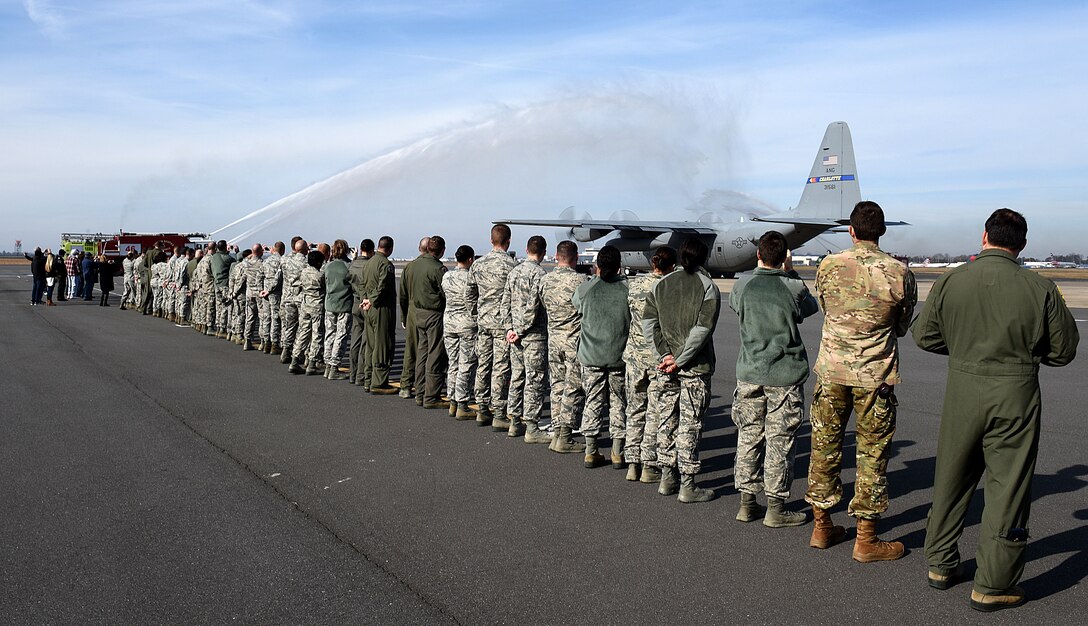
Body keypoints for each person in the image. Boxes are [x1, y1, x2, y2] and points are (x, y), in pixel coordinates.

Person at [913, 209, 1079, 611]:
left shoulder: (951, 279)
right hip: (1016, 393)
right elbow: (1064, 350)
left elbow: (924, 336)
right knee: (1008, 487)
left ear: (984, 236)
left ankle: (939, 563)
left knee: (952, 475)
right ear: (1021, 245)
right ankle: (993, 584)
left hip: (963, 389)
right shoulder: (1039, 287)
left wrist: (966, 349)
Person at [804, 200, 917, 562]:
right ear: (881, 232)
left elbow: (826, 307)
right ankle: (866, 539)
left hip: (832, 372)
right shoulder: (898, 271)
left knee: (824, 447)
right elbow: (901, 325)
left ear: (851, 231)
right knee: (871, 454)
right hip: (875, 378)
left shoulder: (829, 265)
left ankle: (822, 526)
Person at [729, 231, 819, 527]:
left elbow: (736, 306)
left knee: (749, 436)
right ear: (783, 258)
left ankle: (747, 503)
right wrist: (790, 270)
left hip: (750, 372)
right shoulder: (791, 286)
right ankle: (776, 508)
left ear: (758, 255)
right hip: (783, 374)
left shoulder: (742, 286)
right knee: (780, 441)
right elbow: (809, 308)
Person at [643, 238, 720, 504]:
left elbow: (649, 325)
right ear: (703, 258)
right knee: (690, 423)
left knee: (667, 419)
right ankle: (687, 484)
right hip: (694, 368)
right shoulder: (708, 288)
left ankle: (667, 476)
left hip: (666, 367)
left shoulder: (659, 285)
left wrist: (665, 355)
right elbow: (702, 329)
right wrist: (681, 358)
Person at [572, 245, 630, 468]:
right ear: (618, 267)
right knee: (618, 403)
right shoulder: (626, 290)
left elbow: (576, 306)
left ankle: (591, 450)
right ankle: (617, 451)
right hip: (618, 356)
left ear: (597, 266)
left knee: (593, 402)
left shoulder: (586, 289)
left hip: (592, 356)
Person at [623, 246, 674, 482]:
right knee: (654, 412)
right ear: (671, 267)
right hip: (657, 357)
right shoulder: (669, 289)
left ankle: (632, 462)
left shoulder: (634, 285)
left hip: (634, 356)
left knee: (634, 409)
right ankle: (648, 465)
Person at [502, 234, 551, 443]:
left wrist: (509, 329)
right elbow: (533, 307)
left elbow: (504, 302)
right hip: (533, 336)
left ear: (526, 249)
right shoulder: (540, 274)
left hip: (515, 337)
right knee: (535, 380)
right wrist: (519, 330)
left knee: (517, 377)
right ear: (543, 252)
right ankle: (531, 426)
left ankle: (514, 421)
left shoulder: (514, 272)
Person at [540, 240, 588, 454]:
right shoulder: (581, 280)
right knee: (573, 387)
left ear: (556, 256)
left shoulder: (545, 280)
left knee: (557, 385)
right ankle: (565, 436)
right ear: (576, 258)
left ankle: (558, 431)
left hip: (553, 339)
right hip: (573, 340)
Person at [468, 224, 517, 428]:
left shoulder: (478, 264)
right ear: (508, 241)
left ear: (491, 240)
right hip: (502, 323)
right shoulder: (512, 265)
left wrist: (476, 313)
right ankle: (499, 411)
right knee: (500, 367)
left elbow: (469, 293)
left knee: (483, 364)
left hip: (484, 321)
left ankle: (482, 407)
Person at [409, 236, 449, 408]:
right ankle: (431, 396)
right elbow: (445, 293)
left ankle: (420, 391)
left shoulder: (415, 265)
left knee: (422, 352)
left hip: (418, 313)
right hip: (434, 314)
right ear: (441, 250)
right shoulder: (438, 269)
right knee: (435, 354)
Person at [441, 244, 477, 418]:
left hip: (449, 323)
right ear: (470, 259)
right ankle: (462, 402)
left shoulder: (447, 276)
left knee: (453, 362)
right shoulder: (470, 278)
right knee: (466, 363)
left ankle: (453, 400)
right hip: (466, 323)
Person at [361, 236, 398, 394]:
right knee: (383, 345)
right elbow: (382, 287)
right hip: (381, 308)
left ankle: (368, 379)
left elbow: (362, 283)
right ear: (390, 248)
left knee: (371, 344)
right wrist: (373, 301)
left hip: (369, 308)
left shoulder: (368, 262)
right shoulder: (386, 265)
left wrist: (365, 300)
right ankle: (379, 382)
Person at [398, 237, 431, 398]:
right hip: (427, 311)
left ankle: (405, 385)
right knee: (427, 349)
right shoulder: (434, 266)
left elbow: (402, 295)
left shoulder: (409, 267)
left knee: (410, 349)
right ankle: (422, 385)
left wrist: (404, 316)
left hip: (411, 310)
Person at [289, 250, 327, 376]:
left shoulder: (303, 272)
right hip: (317, 306)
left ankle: (295, 360)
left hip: (305, 304)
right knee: (317, 335)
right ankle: (312, 363)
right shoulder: (320, 275)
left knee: (303, 333)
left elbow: (294, 283)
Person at [323, 239, 353, 379]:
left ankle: (327, 365)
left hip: (330, 304)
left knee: (330, 334)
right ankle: (334, 366)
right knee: (341, 335)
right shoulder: (348, 266)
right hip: (344, 305)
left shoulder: (328, 266)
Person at [347, 239, 372, 387]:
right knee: (365, 342)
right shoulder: (370, 265)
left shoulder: (352, 265)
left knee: (355, 340)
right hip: (366, 304)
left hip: (356, 303)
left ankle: (353, 373)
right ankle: (361, 375)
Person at [280, 238, 308, 363]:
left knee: (289, 326)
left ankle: (286, 350)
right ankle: (298, 354)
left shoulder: (286, 262)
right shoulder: (306, 263)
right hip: (300, 298)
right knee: (302, 327)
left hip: (288, 297)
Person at [260, 241, 285, 354]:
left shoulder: (266, 261)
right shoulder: (281, 261)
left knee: (267, 317)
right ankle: (274, 344)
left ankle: (266, 342)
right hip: (275, 293)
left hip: (265, 292)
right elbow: (278, 278)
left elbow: (259, 276)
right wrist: (270, 290)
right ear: (283, 250)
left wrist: (261, 290)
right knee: (275, 318)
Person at [210, 240, 237, 339]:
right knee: (226, 307)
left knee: (219, 306)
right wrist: (236, 252)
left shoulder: (214, 257)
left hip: (216, 284)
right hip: (224, 284)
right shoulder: (228, 258)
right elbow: (235, 263)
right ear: (225, 247)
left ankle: (218, 327)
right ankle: (223, 329)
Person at [240, 244, 265, 351]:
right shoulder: (262, 264)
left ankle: (247, 340)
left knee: (250, 317)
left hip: (249, 293)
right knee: (262, 317)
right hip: (260, 293)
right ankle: (262, 342)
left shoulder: (246, 264)